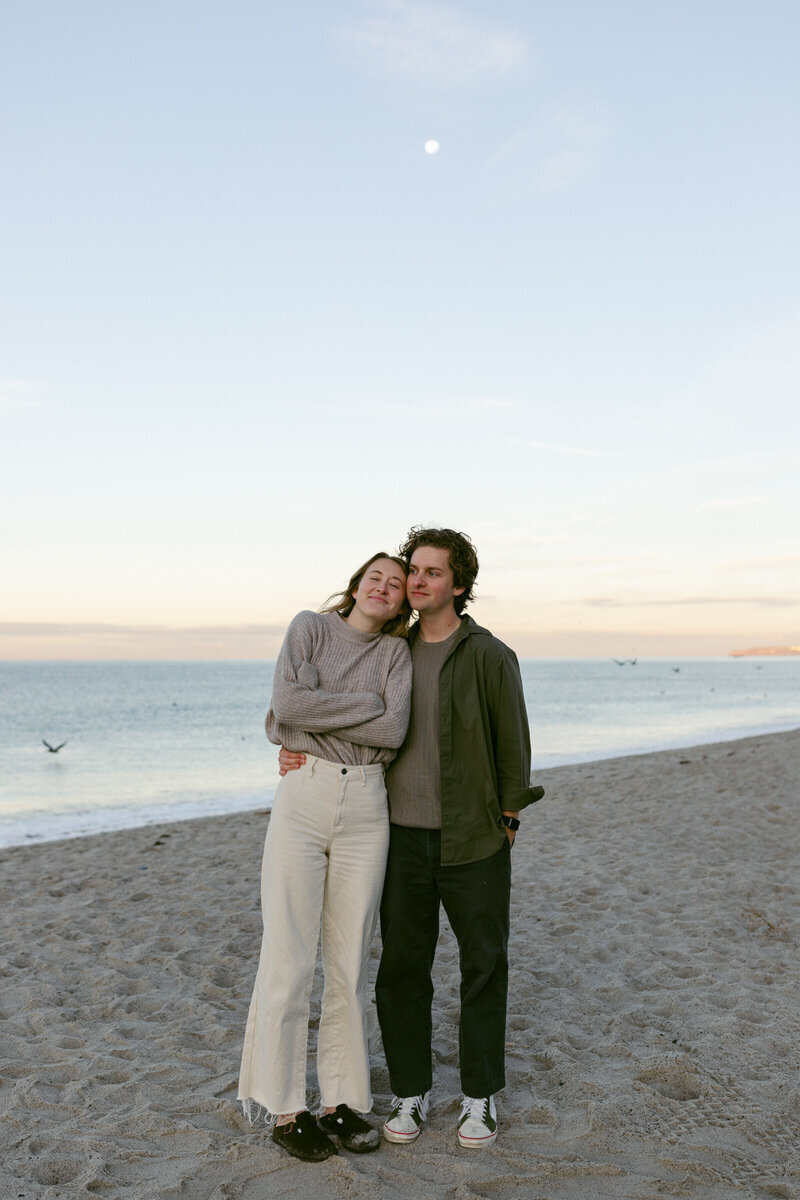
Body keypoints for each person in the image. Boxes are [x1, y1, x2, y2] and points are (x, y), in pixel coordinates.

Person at [280, 527, 543, 1150]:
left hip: (474, 839)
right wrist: (295, 748)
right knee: (401, 970)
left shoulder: (487, 653)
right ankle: (411, 1090)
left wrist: (507, 816)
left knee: (484, 967)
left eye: (431, 573)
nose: (418, 582)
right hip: (398, 837)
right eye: (413, 572)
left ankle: (479, 1099)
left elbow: (514, 742)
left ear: (459, 583)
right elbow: (326, 711)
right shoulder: (390, 648)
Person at [238, 553, 412, 1163]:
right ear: (358, 582)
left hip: (368, 805)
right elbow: (286, 707)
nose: (384, 588)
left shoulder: (395, 655)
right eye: (376, 577)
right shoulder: (309, 628)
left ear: (402, 601)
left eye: (395, 585)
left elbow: (394, 733)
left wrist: (320, 710)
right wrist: (363, 705)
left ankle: (340, 1103)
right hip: (304, 795)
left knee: (347, 962)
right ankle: (286, 1109)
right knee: (287, 955)